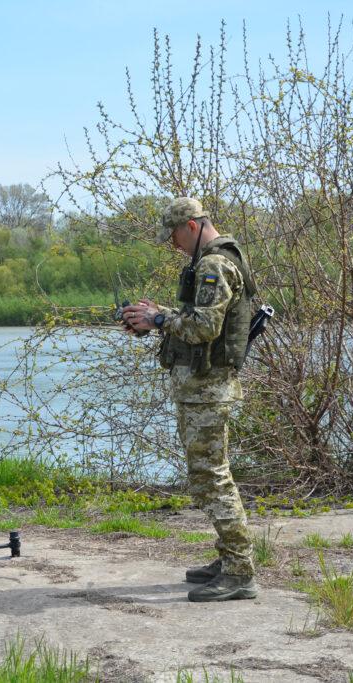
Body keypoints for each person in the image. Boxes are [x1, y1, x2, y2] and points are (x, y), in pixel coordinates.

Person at [120, 197, 258, 602]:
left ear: (193, 226)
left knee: (213, 479)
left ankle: (240, 572)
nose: (174, 244)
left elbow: (204, 329)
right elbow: (200, 321)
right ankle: (230, 558)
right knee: (208, 477)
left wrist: (158, 320)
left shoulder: (214, 264)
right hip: (204, 389)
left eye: (176, 235)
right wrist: (156, 314)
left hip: (207, 390)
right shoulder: (216, 259)